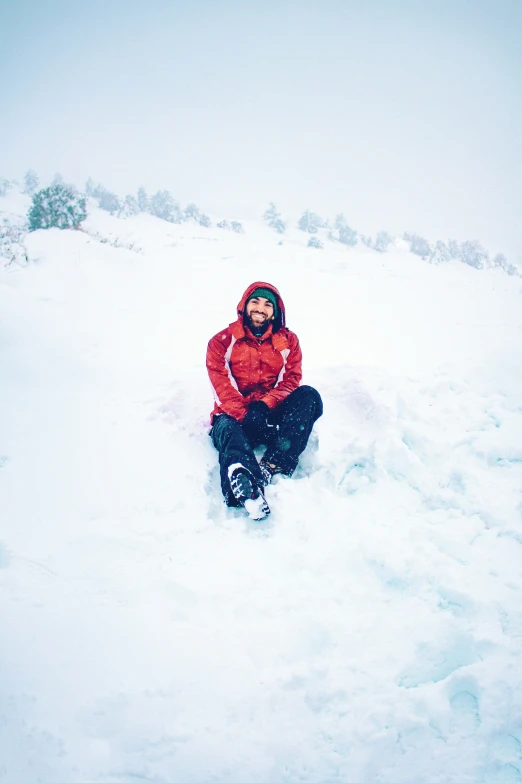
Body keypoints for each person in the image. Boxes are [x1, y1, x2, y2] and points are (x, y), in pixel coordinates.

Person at [206, 281, 323, 519]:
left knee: (309, 396)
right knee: (228, 429)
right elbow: (221, 385)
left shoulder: (288, 342)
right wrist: (244, 414)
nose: (260, 308)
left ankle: (272, 466)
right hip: (234, 418)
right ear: (244, 306)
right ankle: (243, 485)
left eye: (268, 304)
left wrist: (264, 406)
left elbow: (291, 381)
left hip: (268, 417)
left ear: (276, 312)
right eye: (255, 302)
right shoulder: (221, 342)